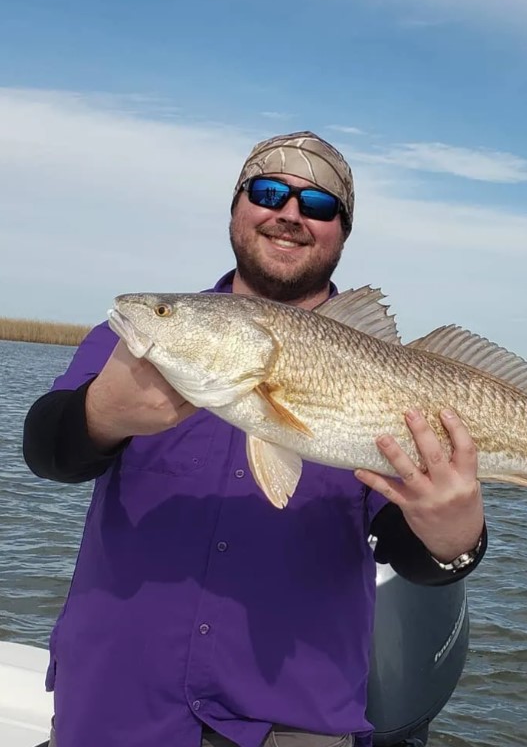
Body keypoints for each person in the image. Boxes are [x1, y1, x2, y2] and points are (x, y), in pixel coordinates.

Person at [22, 131, 488, 747]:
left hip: (293, 719)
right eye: (268, 192)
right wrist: (101, 414)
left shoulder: (388, 374)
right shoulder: (139, 345)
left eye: (318, 205)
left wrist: (457, 540)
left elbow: (407, 549)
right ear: (238, 207)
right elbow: (48, 452)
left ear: (342, 232)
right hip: (115, 704)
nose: (289, 214)